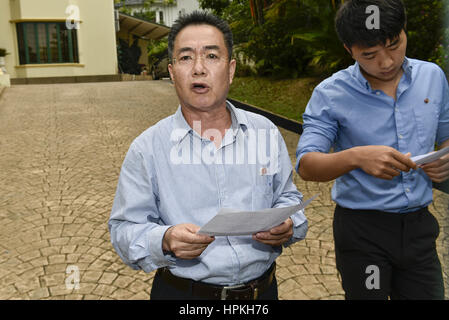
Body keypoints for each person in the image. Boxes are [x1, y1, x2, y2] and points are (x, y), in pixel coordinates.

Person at [108, 11, 308, 300]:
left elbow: (289, 199)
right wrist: (164, 240)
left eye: (212, 56)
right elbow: (124, 231)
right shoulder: (148, 148)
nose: (199, 68)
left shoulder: (264, 132)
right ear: (172, 70)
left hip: (261, 293)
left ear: (231, 69)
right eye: (186, 57)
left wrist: (289, 225)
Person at [296, 0, 448, 300]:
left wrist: (445, 158)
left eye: (394, 45)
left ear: (404, 31)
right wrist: (356, 157)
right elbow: (306, 164)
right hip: (363, 233)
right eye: (370, 55)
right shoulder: (330, 94)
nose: (388, 61)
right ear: (348, 49)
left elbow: (446, 136)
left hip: (420, 229)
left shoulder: (433, 77)